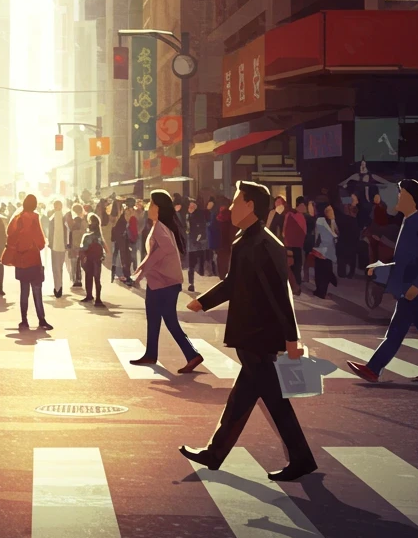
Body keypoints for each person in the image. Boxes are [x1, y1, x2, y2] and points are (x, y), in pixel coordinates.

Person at [180, 181, 316, 481]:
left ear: (250, 205)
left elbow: (281, 294)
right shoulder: (247, 240)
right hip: (252, 336)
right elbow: (233, 283)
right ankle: (215, 453)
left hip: (259, 337)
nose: (230, 207)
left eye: (236, 201)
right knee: (241, 399)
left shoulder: (265, 244)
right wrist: (203, 302)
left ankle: (301, 458)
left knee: (275, 401)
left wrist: (291, 338)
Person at [347, 179, 418, 384]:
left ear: (411, 199)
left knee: (397, 330)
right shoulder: (409, 221)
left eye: (402, 194)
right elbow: (406, 260)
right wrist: (380, 267)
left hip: (415, 288)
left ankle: (374, 369)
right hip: (409, 286)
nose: (398, 197)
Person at [129, 190, 203, 373]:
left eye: (152, 204)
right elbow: (154, 254)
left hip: (165, 283)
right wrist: (141, 270)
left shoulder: (160, 227)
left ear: (159, 208)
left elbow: (165, 250)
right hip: (159, 281)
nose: (148, 207)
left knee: (169, 320)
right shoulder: (159, 226)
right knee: (153, 317)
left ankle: (192, 355)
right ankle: (151, 354)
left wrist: (142, 271)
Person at [4, 194, 51, 330]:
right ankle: (41, 319)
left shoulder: (17, 218)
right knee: (37, 290)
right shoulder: (34, 218)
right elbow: (41, 241)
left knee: (24, 291)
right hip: (33, 259)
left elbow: (9, 234)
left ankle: (24, 320)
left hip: (21, 260)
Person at [79, 213, 108, 307]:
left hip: (89, 259)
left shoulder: (87, 236)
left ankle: (89, 296)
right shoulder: (99, 236)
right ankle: (98, 299)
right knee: (97, 279)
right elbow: (104, 249)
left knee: (88, 277)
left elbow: (83, 248)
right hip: (97, 260)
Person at [312, 204, 339, 298]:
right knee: (323, 272)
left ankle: (320, 291)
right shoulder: (326, 221)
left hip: (324, 250)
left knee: (321, 271)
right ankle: (321, 292)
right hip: (324, 250)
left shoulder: (328, 221)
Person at [282, 198, 308, 293]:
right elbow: (304, 230)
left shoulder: (292, 215)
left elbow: (284, 229)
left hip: (293, 244)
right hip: (294, 244)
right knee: (295, 264)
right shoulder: (297, 216)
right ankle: (295, 284)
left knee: (294, 264)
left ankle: (294, 284)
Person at [186, 199, 209, 294]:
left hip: (196, 243)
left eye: (192, 206)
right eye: (189, 206)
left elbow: (202, 229)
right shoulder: (187, 215)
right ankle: (191, 283)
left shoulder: (198, 216)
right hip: (189, 243)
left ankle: (194, 281)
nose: (190, 208)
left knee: (195, 263)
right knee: (191, 264)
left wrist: (198, 238)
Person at [46, 200, 69, 297]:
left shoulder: (55, 218)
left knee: (56, 268)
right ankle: (58, 287)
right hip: (60, 246)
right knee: (59, 267)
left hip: (56, 246)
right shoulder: (63, 218)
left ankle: (58, 287)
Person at [336, 196, 360, 279]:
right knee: (347, 255)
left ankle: (346, 272)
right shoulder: (346, 217)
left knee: (347, 254)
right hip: (347, 239)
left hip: (347, 239)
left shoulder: (347, 218)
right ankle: (346, 272)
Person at [68, 204, 86, 288]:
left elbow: (71, 234)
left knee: (74, 263)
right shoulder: (83, 221)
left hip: (74, 245)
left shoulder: (73, 222)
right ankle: (78, 279)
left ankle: (75, 279)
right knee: (79, 263)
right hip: (81, 245)